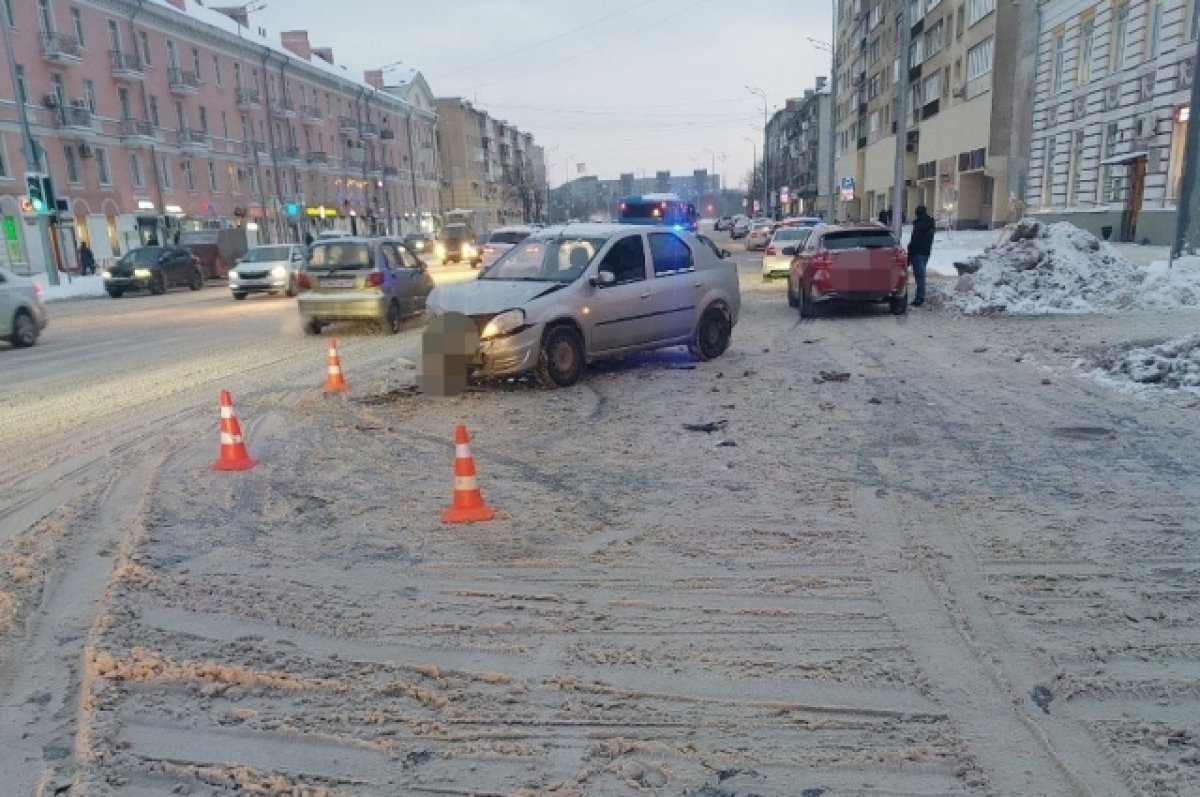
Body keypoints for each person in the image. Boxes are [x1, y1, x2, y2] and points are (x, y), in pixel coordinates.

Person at [907, 205, 935, 308]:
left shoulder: (919, 225)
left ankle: (919, 298)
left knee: (919, 277)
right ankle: (920, 296)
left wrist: (909, 255)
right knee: (921, 276)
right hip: (926, 252)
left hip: (917, 253)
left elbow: (914, 241)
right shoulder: (930, 223)